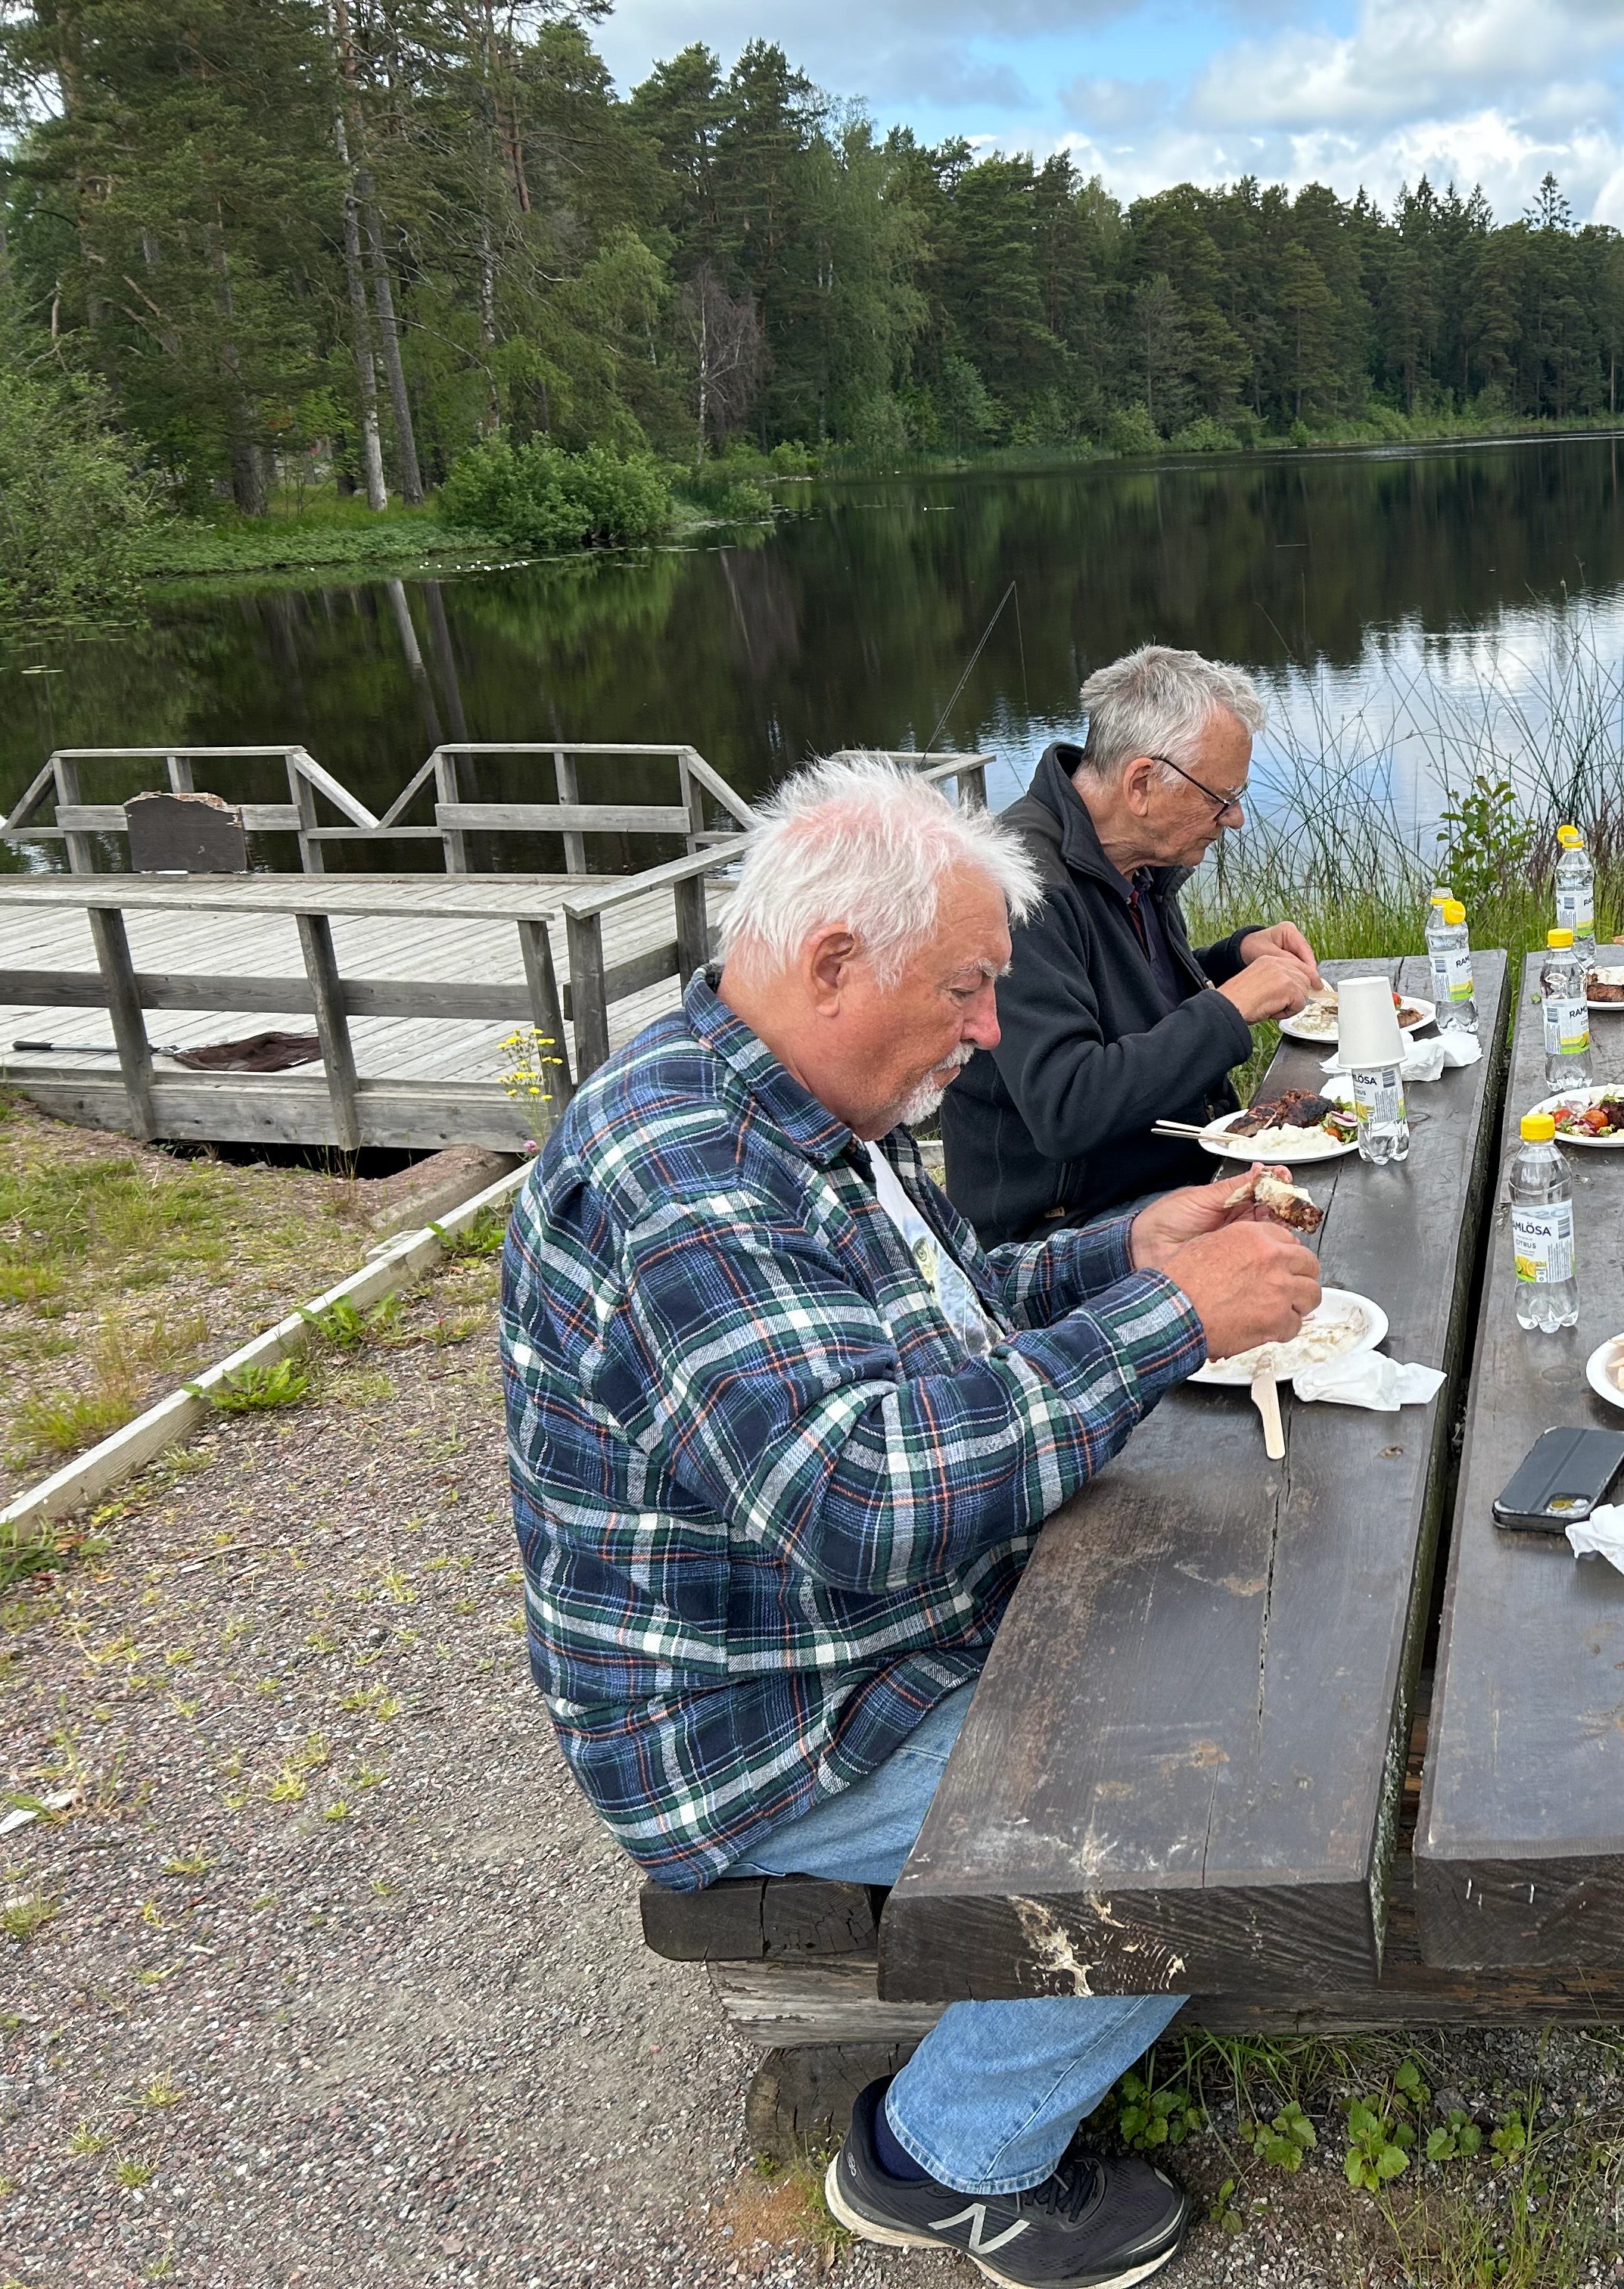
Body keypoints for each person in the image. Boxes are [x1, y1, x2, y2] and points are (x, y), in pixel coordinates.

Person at [499, 757, 1320, 2289]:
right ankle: (946, 2154)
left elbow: (949, 1313)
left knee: (1244, 1627)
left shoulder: (801, 1102)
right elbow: (865, 1498)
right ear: (832, 963)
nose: (991, 1029)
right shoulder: (679, 1174)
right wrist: (1168, 1323)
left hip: (874, 1639)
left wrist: (1127, 1251)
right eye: (965, 989)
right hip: (774, 1727)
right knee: (1224, 1798)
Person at [942, 644, 1324, 1246]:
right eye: (1222, 798)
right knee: (1321, 1239)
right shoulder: (1022, 889)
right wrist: (1229, 1008)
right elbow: (1065, 1105)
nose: (1235, 819)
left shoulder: (1132, 857)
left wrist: (1233, 959)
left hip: (1166, 1176)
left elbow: (1124, 1000)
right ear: (1142, 783)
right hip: (1065, 1227)